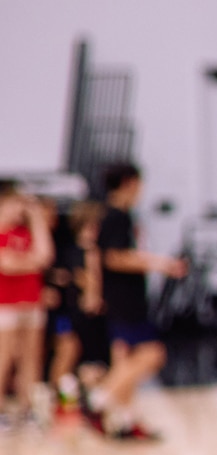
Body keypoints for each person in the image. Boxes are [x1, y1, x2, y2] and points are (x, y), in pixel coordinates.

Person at [91, 163, 187, 440]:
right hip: (125, 298)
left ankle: (125, 420)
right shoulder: (116, 217)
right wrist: (161, 264)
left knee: (125, 360)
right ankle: (99, 398)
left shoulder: (114, 216)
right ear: (129, 182)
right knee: (152, 354)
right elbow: (114, 257)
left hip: (120, 297)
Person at [46, 200, 110, 410]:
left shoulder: (93, 251)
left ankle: (78, 402)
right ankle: (58, 401)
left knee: (89, 360)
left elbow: (94, 285)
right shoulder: (67, 251)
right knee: (68, 351)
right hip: (68, 311)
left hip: (86, 315)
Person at [0, 183, 54, 429]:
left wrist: (37, 218)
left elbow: (44, 257)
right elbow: (6, 264)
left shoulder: (25, 232)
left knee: (31, 357)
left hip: (30, 301)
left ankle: (28, 407)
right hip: (5, 304)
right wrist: (29, 261)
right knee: (4, 357)